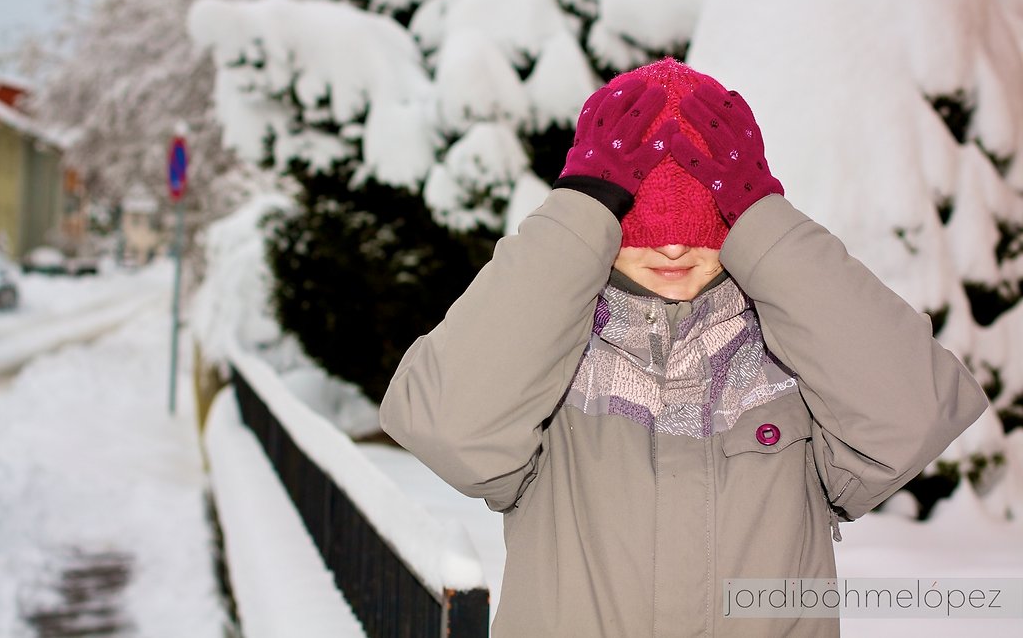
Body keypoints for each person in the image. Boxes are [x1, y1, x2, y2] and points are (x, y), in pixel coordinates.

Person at [379, 58, 988, 637]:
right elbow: (446, 424)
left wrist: (764, 223)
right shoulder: (547, 352)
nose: (672, 249)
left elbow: (917, 410)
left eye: (699, 221)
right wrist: (580, 214)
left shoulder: (797, 355)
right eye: (643, 220)